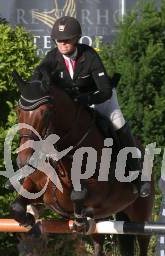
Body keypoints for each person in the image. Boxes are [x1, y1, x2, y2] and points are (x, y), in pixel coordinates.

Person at [30, 16, 150, 197]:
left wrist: (85, 99)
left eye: (66, 40)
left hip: (98, 98)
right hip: (72, 105)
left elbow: (105, 91)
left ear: (76, 38)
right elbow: (40, 72)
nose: (62, 43)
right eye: (58, 40)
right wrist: (36, 79)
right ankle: (29, 173)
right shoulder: (52, 57)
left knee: (119, 125)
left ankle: (138, 177)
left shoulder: (89, 56)